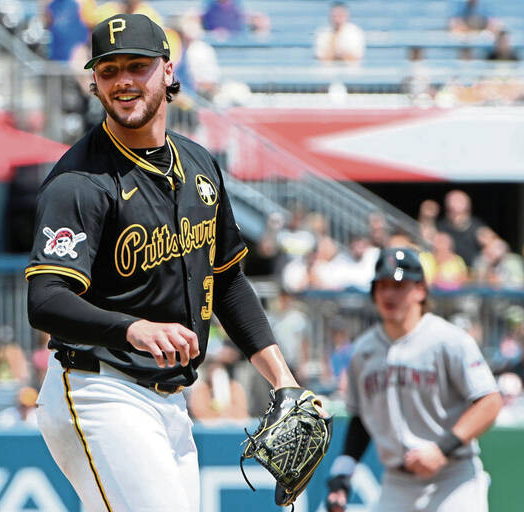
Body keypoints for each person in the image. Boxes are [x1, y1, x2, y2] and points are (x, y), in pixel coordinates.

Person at [26, 14, 326, 512]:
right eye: (108, 70)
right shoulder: (80, 181)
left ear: (168, 70)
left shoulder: (199, 164)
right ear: (95, 83)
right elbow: (45, 299)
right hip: (99, 389)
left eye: (137, 66)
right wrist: (132, 328)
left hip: (169, 401)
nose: (123, 80)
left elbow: (227, 281)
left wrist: (283, 379)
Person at [325, 247, 502, 512]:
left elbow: (489, 402)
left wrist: (443, 449)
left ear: (420, 290)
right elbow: (361, 419)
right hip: (396, 482)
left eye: (398, 285)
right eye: (381, 285)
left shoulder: (448, 340)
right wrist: (343, 474)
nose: (388, 294)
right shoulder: (363, 351)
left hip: (452, 477)